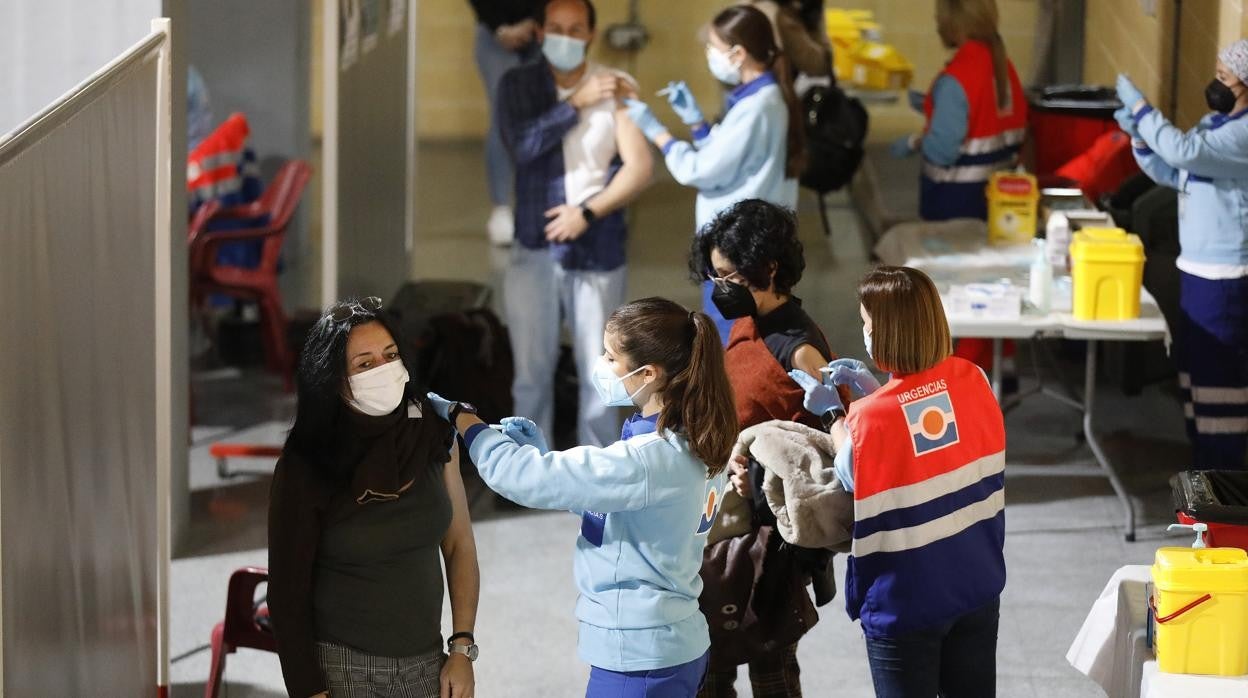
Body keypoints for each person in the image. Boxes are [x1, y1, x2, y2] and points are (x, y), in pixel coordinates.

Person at [428, 297, 738, 697]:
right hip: (668, 646)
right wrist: (545, 457)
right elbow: (626, 505)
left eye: (611, 358)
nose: (601, 365)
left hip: (639, 659)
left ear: (648, 374)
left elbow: (518, 477)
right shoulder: (691, 438)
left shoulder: (648, 459)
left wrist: (465, 420)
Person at [794, 267, 1006, 698]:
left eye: (867, 324)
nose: (865, 332)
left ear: (887, 332)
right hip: (976, 581)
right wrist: (874, 389)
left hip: (907, 600)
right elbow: (924, 425)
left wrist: (834, 412)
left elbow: (854, 470)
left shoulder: (871, 418)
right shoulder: (975, 379)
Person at [268, 297, 480, 698]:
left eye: (391, 355)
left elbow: (459, 544)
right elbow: (286, 590)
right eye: (365, 364)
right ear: (332, 380)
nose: (384, 371)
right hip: (342, 666)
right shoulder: (307, 463)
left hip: (427, 662)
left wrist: (462, 649)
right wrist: (309, 690)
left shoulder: (431, 434)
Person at [688, 199, 849, 698]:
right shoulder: (747, 323)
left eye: (727, 275)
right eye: (714, 276)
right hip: (723, 523)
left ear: (769, 268)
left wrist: (758, 479)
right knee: (709, 666)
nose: (719, 287)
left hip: (768, 538)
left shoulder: (800, 346)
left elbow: (831, 450)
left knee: (770, 666)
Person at [497, 0, 654, 448]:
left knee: (602, 374)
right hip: (533, 247)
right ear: (541, 32)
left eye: (575, 28)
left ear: (590, 33)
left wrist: (586, 212)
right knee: (530, 373)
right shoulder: (518, 84)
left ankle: (598, 470)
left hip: (596, 249)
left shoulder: (616, 87)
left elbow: (639, 167)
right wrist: (575, 104)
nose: (565, 37)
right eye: (555, 27)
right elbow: (523, 146)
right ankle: (528, 463)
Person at [624, 4, 804, 343]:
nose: (709, 55)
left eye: (714, 48)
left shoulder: (757, 108)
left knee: (732, 341)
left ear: (738, 54)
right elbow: (731, 158)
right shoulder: (760, 99)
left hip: (738, 250)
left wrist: (657, 131)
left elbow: (701, 170)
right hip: (749, 243)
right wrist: (696, 123)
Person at [1116, 40, 1248, 470]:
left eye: (1225, 79)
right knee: (1195, 381)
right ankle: (1205, 480)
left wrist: (1141, 111)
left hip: (1226, 278)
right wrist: (1140, 141)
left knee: (1219, 387)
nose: (1216, 85)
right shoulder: (1215, 124)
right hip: (1197, 272)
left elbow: (1183, 152)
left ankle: (1223, 491)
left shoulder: (1243, 135)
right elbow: (1176, 172)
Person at [892, 0, 1026, 222]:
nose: (936, 23)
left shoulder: (957, 78)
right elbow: (989, 115)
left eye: (939, 17)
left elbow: (942, 151)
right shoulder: (1003, 66)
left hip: (954, 205)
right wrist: (935, 104)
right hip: (997, 206)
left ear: (954, 23)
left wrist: (914, 142)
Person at [468, 0, 541, 245]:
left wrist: (534, 21)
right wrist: (500, 27)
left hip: (543, 30)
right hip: (495, 35)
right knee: (504, 114)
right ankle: (501, 208)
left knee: (538, 117)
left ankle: (536, 203)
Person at [745, 0, 832, 79]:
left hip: (806, 78)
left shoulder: (802, 10)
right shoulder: (769, 9)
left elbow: (819, 64)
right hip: (776, 80)